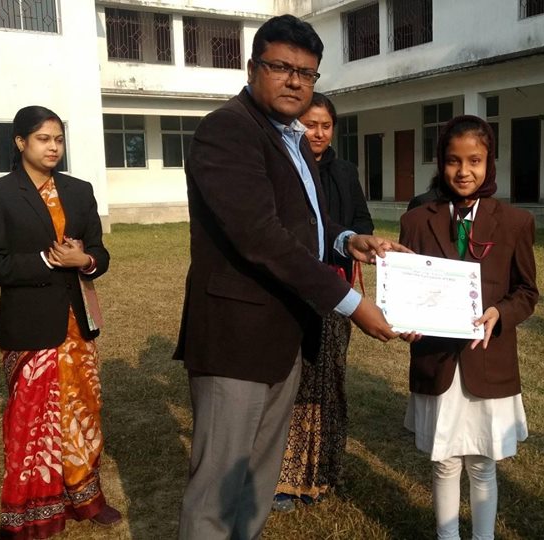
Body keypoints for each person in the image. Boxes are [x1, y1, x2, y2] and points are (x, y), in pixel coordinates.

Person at [174, 15, 408, 539]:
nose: (295, 81)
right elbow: (260, 236)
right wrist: (352, 303)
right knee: (218, 489)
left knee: (257, 480)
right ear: (252, 67)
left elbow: (303, 222)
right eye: (281, 67)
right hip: (237, 339)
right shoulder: (228, 130)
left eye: (307, 73)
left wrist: (347, 240)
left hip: (284, 335)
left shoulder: (294, 138)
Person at [0, 105, 119, 539]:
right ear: (21, 142)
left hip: (77, 328)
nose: (53, 147)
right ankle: (30, 513)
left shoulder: (78, 190)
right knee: (31, 423)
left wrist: (85, 260)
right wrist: (48, 261)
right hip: (30, 325)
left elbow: (100, 252)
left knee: (83, 414)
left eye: (58, 139)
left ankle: (87, 498)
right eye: (43, 139)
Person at [398, 116, 538, 540]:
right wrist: (405, 321)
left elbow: (526, 292)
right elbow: (406, 287)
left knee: (481, 462)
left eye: (474, 161)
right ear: (440, 162)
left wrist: (500, 314)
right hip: (437, 359)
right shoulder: (417, 220)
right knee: (443, 461)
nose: (463, 171)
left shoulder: (514, 222)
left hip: (488, 360)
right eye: (453, 161)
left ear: (489, 162)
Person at [273, 92, 374, 511]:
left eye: (325, 126)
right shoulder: (283, 165)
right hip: (291, 289)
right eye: (309, 124)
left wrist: (349, 241)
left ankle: (323, 472)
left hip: (336, 291)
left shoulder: (345, 172)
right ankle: (283, 477)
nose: (317, 133)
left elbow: (362, 221)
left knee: (329, 379)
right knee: (291, 381)